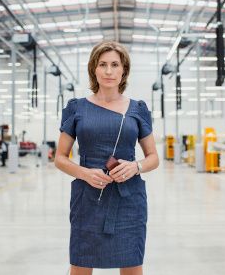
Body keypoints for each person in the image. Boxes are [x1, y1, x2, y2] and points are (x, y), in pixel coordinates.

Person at [55, 41, 159, 275]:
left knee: (132, 262)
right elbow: (60, 158)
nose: (109, 71)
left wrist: (135, 167)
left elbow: (153, 157)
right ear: (94, 69)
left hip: (129, 199)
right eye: (103, 64)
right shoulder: (76, 108)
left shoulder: (138, 109)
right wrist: (84, 173)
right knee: (81, 262)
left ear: (124, 70)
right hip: (88, 198)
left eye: (115, 64)